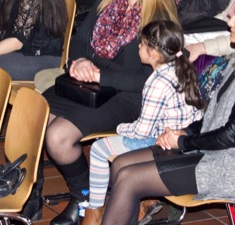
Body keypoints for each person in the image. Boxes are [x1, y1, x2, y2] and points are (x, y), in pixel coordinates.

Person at [101, 0, 235, 223]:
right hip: (210, 152)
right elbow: (213, 115)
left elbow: (233, 135)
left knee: (129, 178)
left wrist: (183, 142)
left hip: (233, 167)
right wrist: (185, 132)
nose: (230, 22)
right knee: (121, 164)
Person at [43, 0, 178, 225]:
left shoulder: (159, 18)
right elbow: (78, 40)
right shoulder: (108, 0)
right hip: (89, 84)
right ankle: (60, 192)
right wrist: (79, 61)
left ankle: (84, 198)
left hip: (128, 96)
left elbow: (149, 79)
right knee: (37, 118)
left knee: (58, 137)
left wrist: (100, 76)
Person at [83, 20, 204, 223]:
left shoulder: (156, 82)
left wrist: (120, 128)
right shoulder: (182, 68)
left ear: (153, 54)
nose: (138, 46)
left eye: (142, 44)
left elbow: (142, 132)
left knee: (98, 149)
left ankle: (94, 210)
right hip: (181, 137)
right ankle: (130, 204)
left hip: (160, 141)